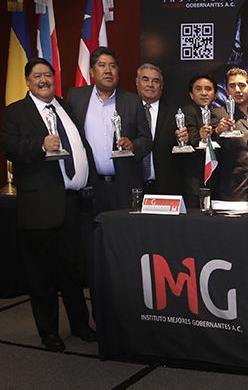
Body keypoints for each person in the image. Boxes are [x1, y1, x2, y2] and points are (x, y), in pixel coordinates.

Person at [0, 58, 96, 351]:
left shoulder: (65, 107)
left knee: (72, 271)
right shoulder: (15, 112)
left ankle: (80, 325)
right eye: (37, 76)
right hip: (39, 205)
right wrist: (41, 144)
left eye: (48, 75)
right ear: (27, 81)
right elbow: (10, 147)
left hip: (72, 203)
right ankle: (49, 331)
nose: (44, 80)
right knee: (42, 273)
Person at [67, 46, 152, 213]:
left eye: (112, 66)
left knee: (123, 235)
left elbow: (147, 140)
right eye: (102, 65)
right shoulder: (76, 97)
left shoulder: (132, 101)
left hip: (123, 186)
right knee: (91, 236)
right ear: (91, 71)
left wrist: (133, 145)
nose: (108, 71)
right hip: (89, 185)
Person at [134, 62, 184, 196]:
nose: (150, 84)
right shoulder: (126, 110)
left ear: (161, 86)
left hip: (166, 188)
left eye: (155, 81)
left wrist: (183, 140)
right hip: (134, 187)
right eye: (145, 79)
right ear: (137, 83)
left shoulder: (175, 112)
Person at [180, 74, 228, 208]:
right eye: (198, 89)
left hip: (216, 184)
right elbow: (190, 145)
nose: (204, 93)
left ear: (215, 94)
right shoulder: (187, 112)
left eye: (208, 89)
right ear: (191, 94)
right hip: (195, 185)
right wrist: (207, 136)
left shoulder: (219, 114)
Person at [218, 68, 248, 200]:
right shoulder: (217, 115)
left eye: (242, 85)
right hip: (231, 189)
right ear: (226, 91)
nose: (237, 90)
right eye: (232, 86)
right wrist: (217, 132)